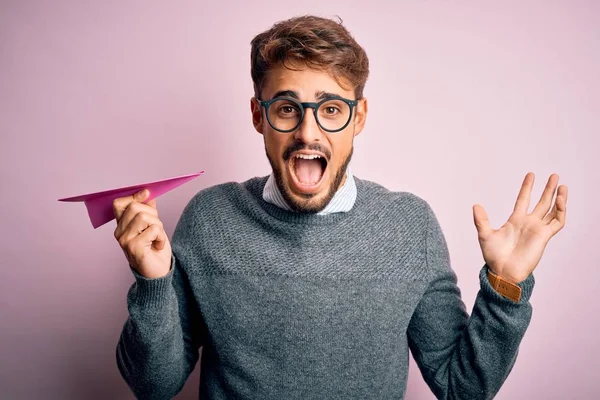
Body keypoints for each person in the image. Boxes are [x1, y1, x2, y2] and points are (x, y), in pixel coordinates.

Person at [113, 15, 568, 400]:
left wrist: (505, 287)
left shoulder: (409, 227)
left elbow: (461, 386)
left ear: (359, 117)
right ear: (258, 116)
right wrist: (153, 284)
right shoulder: (210, 219)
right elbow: (153, 386)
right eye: (288, 108)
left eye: (331, 109)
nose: (308, 133)